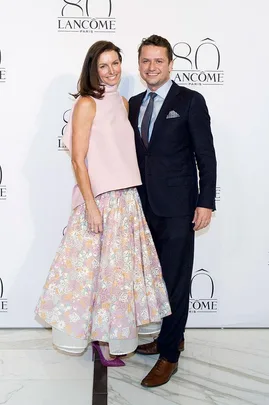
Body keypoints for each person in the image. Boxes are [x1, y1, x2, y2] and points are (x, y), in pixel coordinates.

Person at [35, 40, 171, 367]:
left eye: (115, 64)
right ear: (93, 69)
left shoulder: (122, 103)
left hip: (128, 200)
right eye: (103, 66)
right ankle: (94, 340)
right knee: (90, 277)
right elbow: (79, 161)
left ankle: (107, 339)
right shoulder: (86, 103)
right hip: (100, 200)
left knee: (118, 277)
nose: (111, 71)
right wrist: (91, 205)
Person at [129, 35, 217, 386]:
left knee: (176, 281)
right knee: (155, 280)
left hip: (180, 207)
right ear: (140, 65)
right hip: (142, 206)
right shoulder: (133, 103)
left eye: (158, 61)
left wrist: (206, 201)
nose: (152, 67)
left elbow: (205, 155)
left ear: (170, 64)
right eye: (146, 61)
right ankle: (171, 336)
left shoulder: (191, 101)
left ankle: (169, 355)